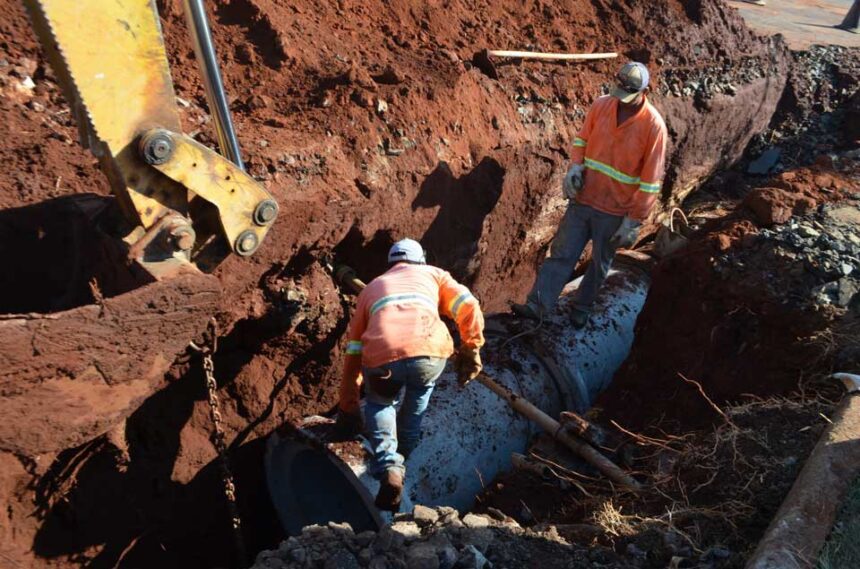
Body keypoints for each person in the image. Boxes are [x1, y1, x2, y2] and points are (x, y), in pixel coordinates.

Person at [512, 62, 668, 328]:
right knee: (561, 254)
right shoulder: (601, 105)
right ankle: (537, 306)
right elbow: (582, 140)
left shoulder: (653, 127)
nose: (621, 100)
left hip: (616, 210)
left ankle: (582, 306)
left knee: (599, 264)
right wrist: (575, 166)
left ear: (643, 92)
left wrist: (633, 221)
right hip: (584, 199)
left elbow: (651, 182)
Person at [336, 239, 485, 511]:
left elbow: (354, 349)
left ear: (391, 264)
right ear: (421, 260)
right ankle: (404, 456)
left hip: (383, 355)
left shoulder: (372, 288)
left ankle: (390, 466)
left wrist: (348, 405)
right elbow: (468, 305)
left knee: (380, 403)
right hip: (430, 352)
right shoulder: (434, 275)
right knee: (417, 401)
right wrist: (471, 347)